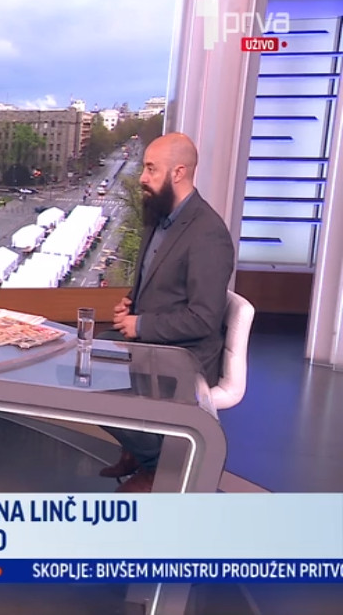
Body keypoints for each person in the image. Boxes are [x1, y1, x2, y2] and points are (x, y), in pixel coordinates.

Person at [100, 132, 234, 492]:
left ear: (179, 172)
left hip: (185, 355)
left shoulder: (208, 234)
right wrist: (132, 302)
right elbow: (160, 282)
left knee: (96, 379)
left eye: (150, 169)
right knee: (86, 357)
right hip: (155, 342)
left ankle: (159, 468)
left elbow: (204, 318)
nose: (142, 178)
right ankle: (136, 450)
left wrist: (140, 324)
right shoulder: (159, 217)